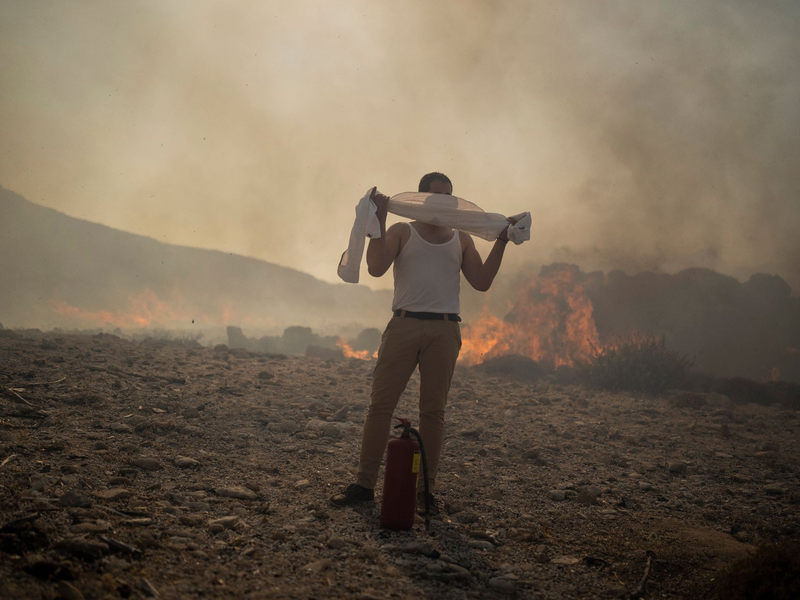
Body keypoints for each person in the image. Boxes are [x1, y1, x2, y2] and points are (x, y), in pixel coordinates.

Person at [330, 172, 514, 514]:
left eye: (448, 196)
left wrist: (501, 240)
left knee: (433, 414)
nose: (442, 201)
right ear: (422, 198)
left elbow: (482, 281)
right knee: (380, 407)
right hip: (404, 325)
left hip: (445, 331)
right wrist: (380, 220)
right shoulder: (403, 231)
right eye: (435, 196)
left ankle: (424, 492)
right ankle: (364, 485)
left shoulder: (461, 239)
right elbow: (375, 268)